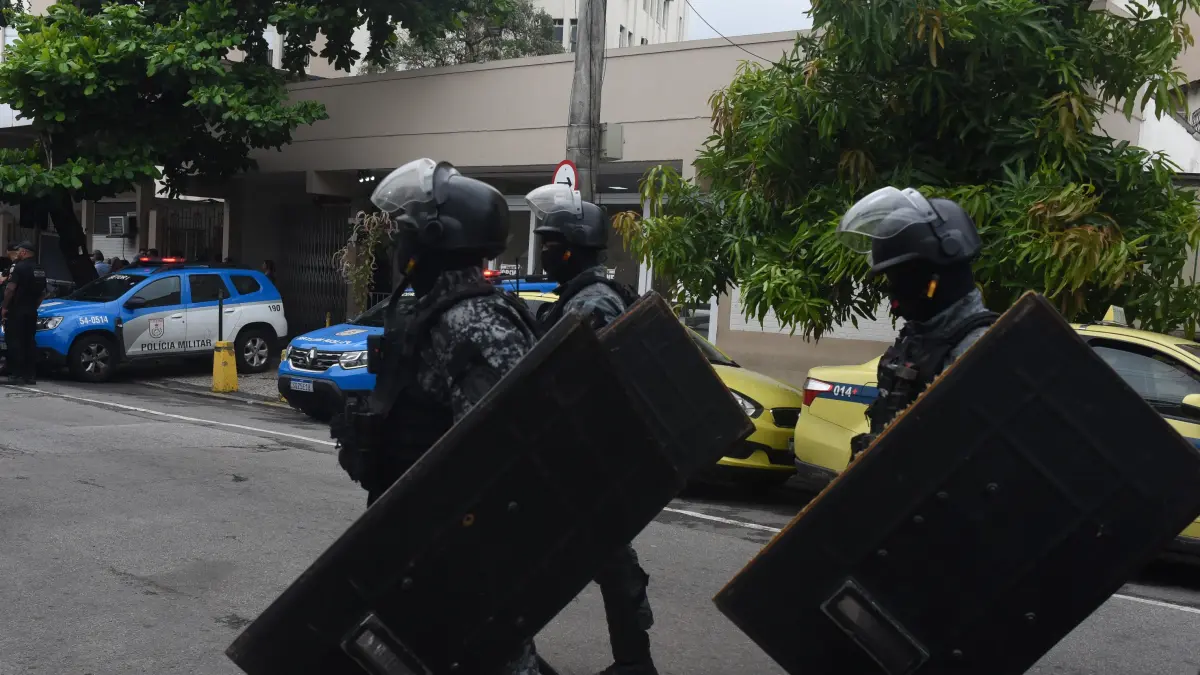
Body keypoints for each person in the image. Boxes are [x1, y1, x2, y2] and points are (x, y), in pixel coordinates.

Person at [331, 158, 541, 675]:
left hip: (461, 568)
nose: (398, 245)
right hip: (422, 550)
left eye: (405, 232)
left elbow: (492, 459)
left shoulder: (474, 322)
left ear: (433, 239)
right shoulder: (437, 314)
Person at [524, 183, 656, 675]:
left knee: (539, 559)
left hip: (584, 456)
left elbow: (571, 380)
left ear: (572, 250)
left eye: (551, 243)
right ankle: (635, 661)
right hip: (589, 455)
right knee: (609, 557)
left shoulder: (591, 303)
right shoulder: (582, 297)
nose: (544, 251)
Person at [836, 186, 998, 456]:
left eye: (901, 276)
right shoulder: (919, 339)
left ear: (935, 275)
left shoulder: (979, 352)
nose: (894, 291)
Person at [2, 241, 47, 385]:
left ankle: (16, 375)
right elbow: (43, 293)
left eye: (19, 251)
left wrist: (4, 307)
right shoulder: (40, 269)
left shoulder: (19, 267)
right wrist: (34, 306)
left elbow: (10, 289)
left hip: (17, 310)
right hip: (31, 310)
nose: (18, 253)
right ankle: (30, 375)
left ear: (24, 252)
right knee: (29, 341)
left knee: (14, 341)